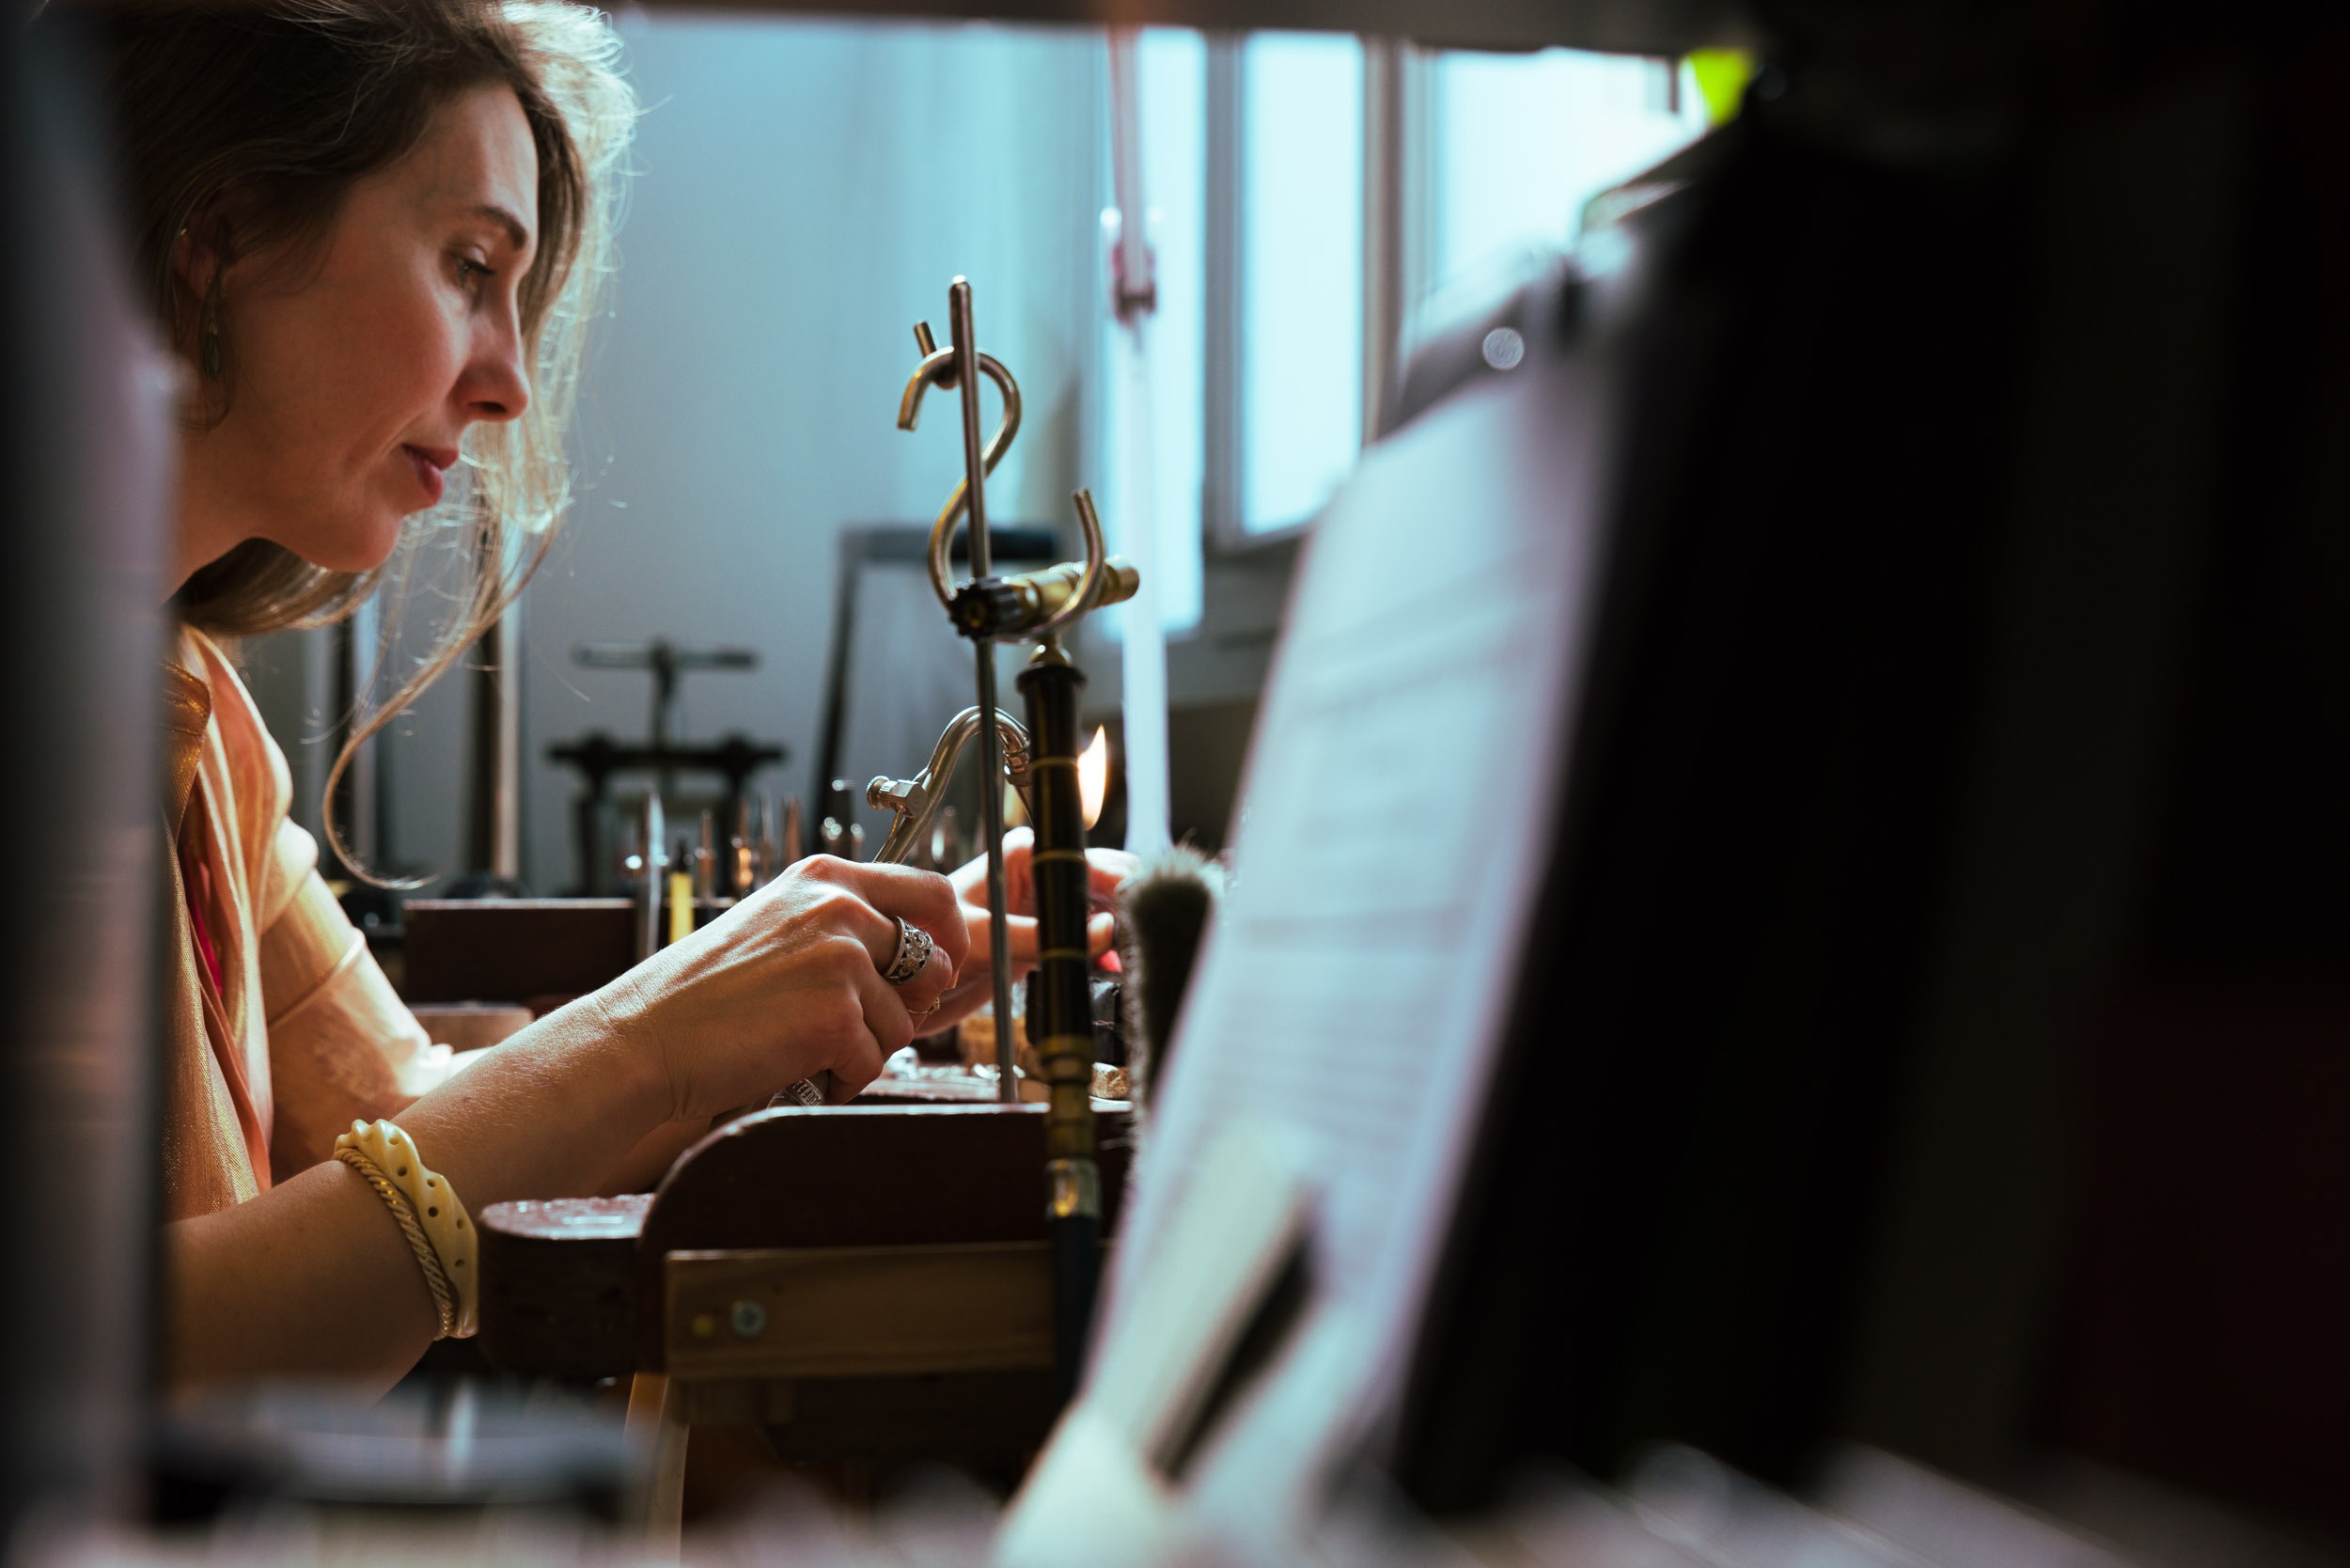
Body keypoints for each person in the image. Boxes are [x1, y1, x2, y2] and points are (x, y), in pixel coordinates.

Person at [85, 0, 1129, 1392]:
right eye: (470, 266)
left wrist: (781, 1009)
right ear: (211, 238)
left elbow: (405, 1127)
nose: (511, 378)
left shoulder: (202, 725)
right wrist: (652, 1034)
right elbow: (99, 1362)